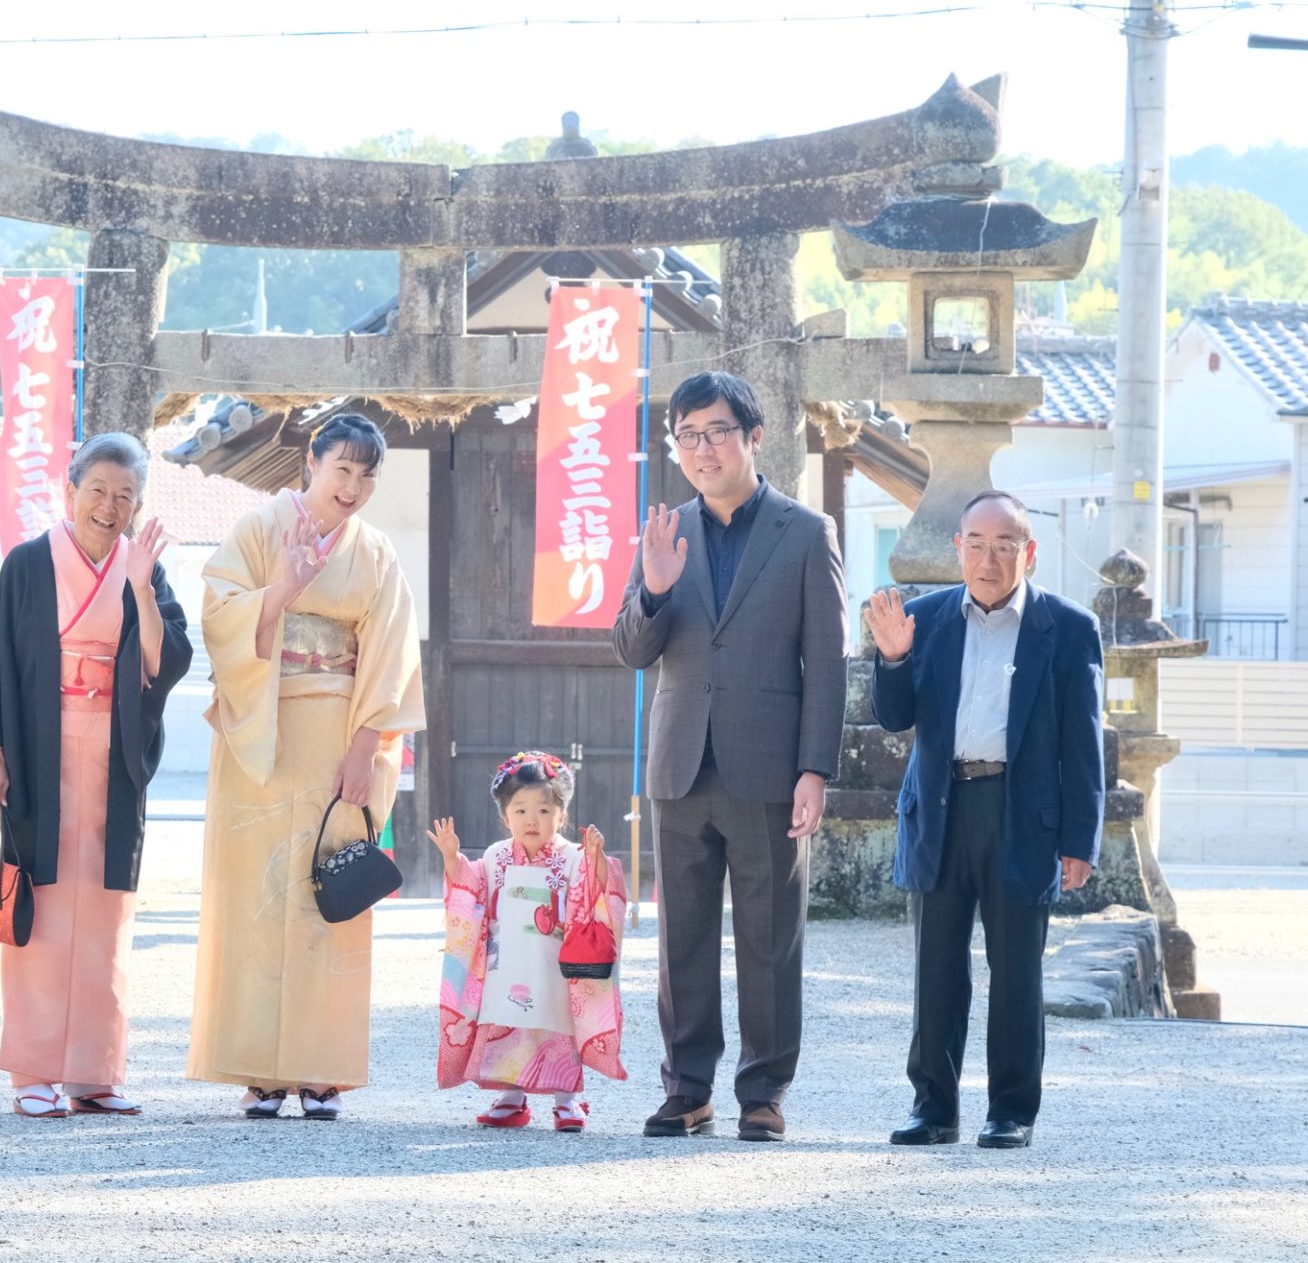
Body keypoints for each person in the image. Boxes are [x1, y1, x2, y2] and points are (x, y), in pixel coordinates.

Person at [611, 369, 847, 1142]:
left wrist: (816, 768)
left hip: (769, 764)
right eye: (687, 434)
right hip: (681, 763)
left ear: (753, 436)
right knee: (682, 938)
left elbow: (828, 660)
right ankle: (687, 1087)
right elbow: (630, 648)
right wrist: (651, 588)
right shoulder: (663, 529)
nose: (702, 447)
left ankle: (763, 1091)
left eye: (716, 431)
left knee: (769, 932)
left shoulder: (806, 532)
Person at [186, 411, 425, 1121]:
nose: (352, 486)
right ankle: (260, 1069)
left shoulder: (375, 553)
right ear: (312, 462)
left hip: (337, 733)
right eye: (341, 468)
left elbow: (391, 652)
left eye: (366, 474)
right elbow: (219, 618)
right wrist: (283, 588)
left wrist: (365, 748)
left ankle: (322, 1068)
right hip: (264, 725)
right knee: (257, 899)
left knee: (329, 896)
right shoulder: (259, 530)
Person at [0, 432, 193, 1119]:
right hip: (37, 748)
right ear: (70, 489)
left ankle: (94, 1070)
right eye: (99, 490)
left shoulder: (141, 566)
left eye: (125, 496)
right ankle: (34, 1068)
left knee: (107, 914)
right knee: (43, 910)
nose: (110, 506)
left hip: (113, 754)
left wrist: (143, 588)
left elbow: (161, 661)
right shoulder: (29, 564)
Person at [865, 490, 1105, 1151]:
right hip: (941, 809)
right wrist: (891, 659)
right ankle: (933, 1108)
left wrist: (1081, 838)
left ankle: (1011, 1110)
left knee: (1017, 970)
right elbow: (893, 714)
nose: (989, 557)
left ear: (1028, 552)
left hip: (1021, 811)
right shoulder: (924, 618)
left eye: (1005, 545)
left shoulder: (1068, 627)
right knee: (936, 970)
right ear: (958, 549)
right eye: (976, 542)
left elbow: (1085, 743)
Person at [426, 751, 626, 1133]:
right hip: (507, 961)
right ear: (505, 817)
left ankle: (567, 1099)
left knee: (556, 1022)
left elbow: (597, 892)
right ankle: (512, 1096)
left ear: (562, 815)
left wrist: (597, 861)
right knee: (507, 1023)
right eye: (520, 811)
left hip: (554, 963)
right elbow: (471, 893)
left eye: (544, 810)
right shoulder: (495, 856)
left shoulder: (572, 857)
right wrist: (453, 859)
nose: (531, 819)